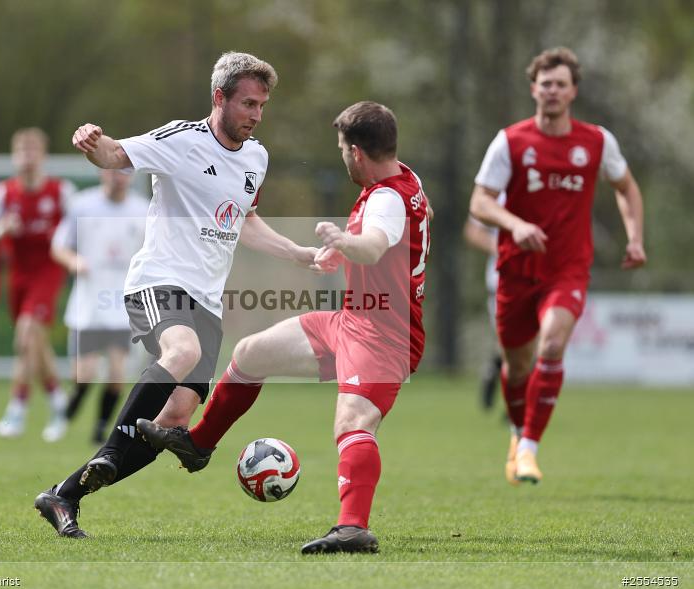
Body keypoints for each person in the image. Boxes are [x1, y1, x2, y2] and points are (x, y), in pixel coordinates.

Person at [33, 51, 318, 539]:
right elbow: (116, 156)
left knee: (175, 420)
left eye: (262, 105)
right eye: (248, 103)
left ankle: (65, 495)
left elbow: (243, 221)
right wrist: (91, 143)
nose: (256, 115)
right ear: (219, 98)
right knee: (181, 352)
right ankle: (105, 454)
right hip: (158, 282)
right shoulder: (183, 139)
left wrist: (298, 253)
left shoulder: (257, 157)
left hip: (207, 303)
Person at [140, 101, 432, 554]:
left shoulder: (388, 198)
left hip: (385, 336)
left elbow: (375, 245)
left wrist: (346, 242)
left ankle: (352, 528)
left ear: (356, 152)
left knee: (353, 422)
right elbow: (384, 247)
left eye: (341, 149)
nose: (342, 156)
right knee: (251, 354)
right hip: (352, 320)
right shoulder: (399, 177)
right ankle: (198, 444)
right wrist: (341, 251)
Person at [468, 47, 646, 485]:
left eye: (560, 84)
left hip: (567, 268)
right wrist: (515, 224)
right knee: (517, 367)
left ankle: (529, 448)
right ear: (534, 89)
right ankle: (516, 434)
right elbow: (480, 202)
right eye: (545, 83)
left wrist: (635, 237)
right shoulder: (510, 141)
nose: (552, 91)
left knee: (552, 345)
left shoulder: (597, 141)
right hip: (515, 270)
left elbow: (626, 187)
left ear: (573, 92)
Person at [0, 128, 77, 442]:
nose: (27, 157)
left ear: (43, 156)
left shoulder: (61, 191)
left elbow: (79, 229)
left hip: (48, 271)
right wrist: (0, 229)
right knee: (34, 343)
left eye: (33, 150)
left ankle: (17, 410)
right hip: (17, 275)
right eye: (21, 150)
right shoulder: (4, 193)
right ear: (13, 155)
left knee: (26, 334)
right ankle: (59, 400)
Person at [50, 169, 149, 444]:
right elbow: (59, 246)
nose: (119, 177)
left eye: (125, 172)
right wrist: (73, 261)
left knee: (117, 374)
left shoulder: (142, 209)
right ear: (102, 172)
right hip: (90, 304)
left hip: (123, 305)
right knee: (84, 374)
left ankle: (99, 431)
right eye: (113, 171)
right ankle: (65, 415)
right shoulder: (82, 204)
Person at [463, 193, 505, 412]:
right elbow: (473, 230)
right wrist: (501, 246)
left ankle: (519, 407)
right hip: (503, 280)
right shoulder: (498, 193)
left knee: (536, 343)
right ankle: (496, 368)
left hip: (541, 279)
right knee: (510, 344)